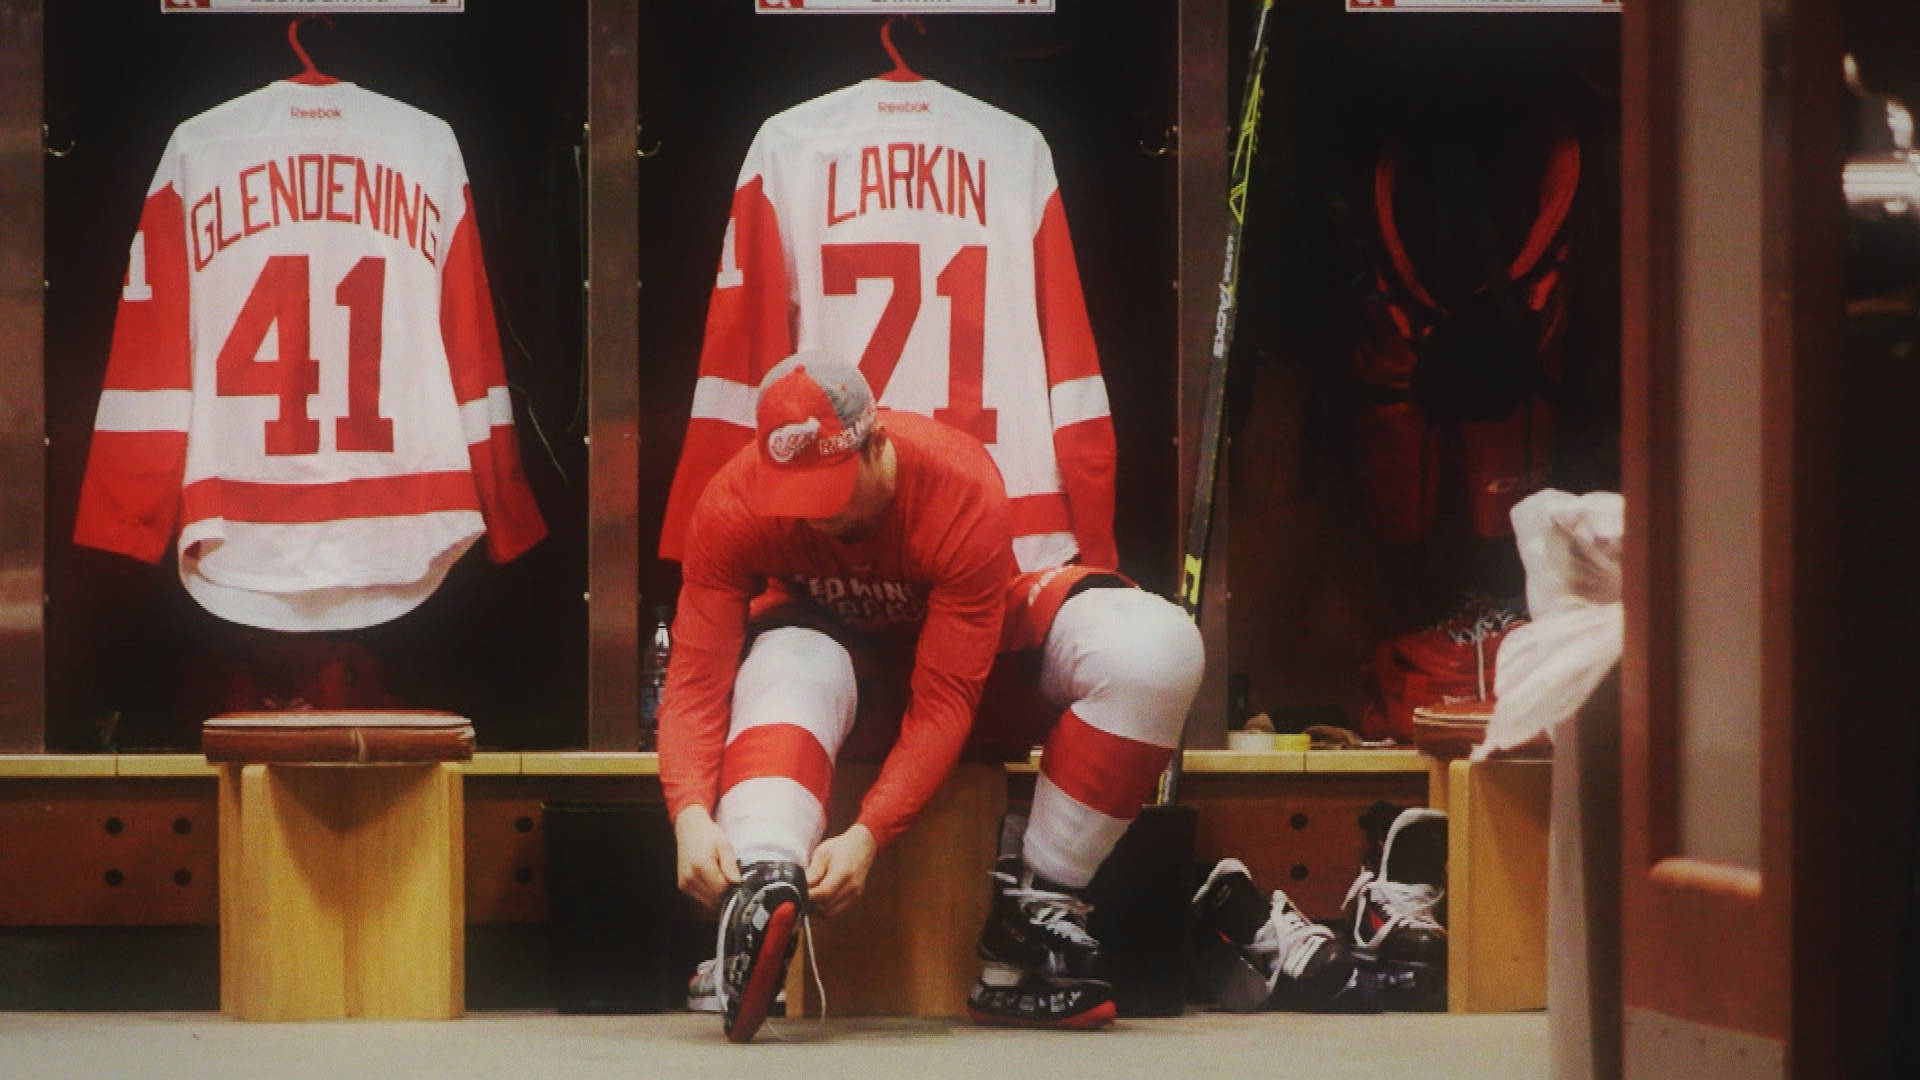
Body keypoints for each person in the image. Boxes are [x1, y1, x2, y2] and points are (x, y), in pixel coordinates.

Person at [659, 352, 1204, 1042]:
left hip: (970, 680)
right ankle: (763, 886)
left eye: (826, 493)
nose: (813, 519)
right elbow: (696, 678)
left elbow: (946, 699)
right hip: (830, 685)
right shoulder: (735, 502)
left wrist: (871, 830)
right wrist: (689, 814)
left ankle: (1035, 913)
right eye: (791, 497)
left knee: (1157, 645)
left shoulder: (958, 483)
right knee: (791, 648)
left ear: (875, 440)